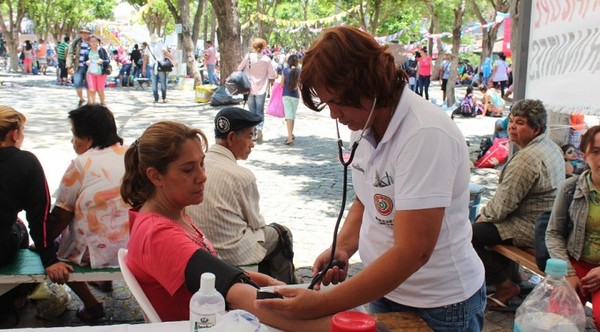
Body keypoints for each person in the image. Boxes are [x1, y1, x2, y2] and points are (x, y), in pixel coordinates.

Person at [255, 26, 486, 331]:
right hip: (385, 290)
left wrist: (322, 303)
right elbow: (368, 198)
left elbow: (413, 251)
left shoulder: (425, 135)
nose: (335, 115)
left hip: (440, 305)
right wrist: (344, 247)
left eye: (338, 102)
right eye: (328, 104)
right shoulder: (363, 123)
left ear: (369, 84)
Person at [119, 121, 329, 330]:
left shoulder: (173, 214)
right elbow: (240, 296)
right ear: (155, 176)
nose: (202, 177)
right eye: (187, 170)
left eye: (202, 163)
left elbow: (214, 273)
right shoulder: (159, 234)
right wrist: (330, 325)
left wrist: (262, 279)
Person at [186, 107, 298, 284]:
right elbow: (256, 223)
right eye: (249, 136)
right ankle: (288, 289)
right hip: (232, 252)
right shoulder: (242, 176)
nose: (252, 142)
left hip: (201, 244)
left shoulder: (199, 164)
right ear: (231, 138)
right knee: (281, 234)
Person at [472, 99, 564, 310]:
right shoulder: (548, 145)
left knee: (467, 234)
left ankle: (505, 285)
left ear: (536, 128)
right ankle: (508, 277)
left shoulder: (527, 159)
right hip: (546, 221)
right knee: (485, 229)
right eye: (511, 121)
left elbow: (501, 207)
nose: (512, 127)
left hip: (532, 226)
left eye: (520, 122)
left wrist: (480, 218)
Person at [50, 104, 130, 321]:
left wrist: (44, 241)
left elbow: (62, 215)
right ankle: (103, 280)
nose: (72, 141)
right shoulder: (133, 156)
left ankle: (92, 305)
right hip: (133, 246)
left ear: (86, 139)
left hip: (93, 253)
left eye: (74, 135)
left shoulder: (80, 164)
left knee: (56, 249)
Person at [0, 106, 73, 318]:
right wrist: (50, 260)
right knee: (19, 227)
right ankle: (16, 293)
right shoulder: (26, 161)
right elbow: (38, 217)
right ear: (14, 134)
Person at [546, 125, 600, 330]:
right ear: (584, 155)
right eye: (596, 151)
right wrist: (568, 272)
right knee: (558, 316)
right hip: (575, 263)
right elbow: (553, 232)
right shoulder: (570, 188)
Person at [237, 38, 277, 143]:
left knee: (251, 111)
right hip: (262, 88)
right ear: (264, 47)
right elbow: (272, 74)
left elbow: (239, 68)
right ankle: (260, 127)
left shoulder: (248, 56)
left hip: (249, 87)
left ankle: (253, 133)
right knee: (259, 111)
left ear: (253, 46)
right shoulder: (267, 59)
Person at [142, 34, 176, 104]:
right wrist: (173, 59)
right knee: (163, 82)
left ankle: (156, 98)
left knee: (154, 83)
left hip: (152, 66)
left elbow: (145, 58)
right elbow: (166, 52)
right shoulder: (161, 44)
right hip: (161, 66)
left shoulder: (148, 47)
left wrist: (144, 68)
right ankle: (164, 98)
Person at [67, 28, 92, 107]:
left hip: (89, 68)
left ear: (89, 34)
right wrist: (69, 66)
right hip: (78, 66)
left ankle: (89, 102)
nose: (84, 34)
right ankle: (81, 99)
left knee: (89, 85)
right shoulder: (76, 42)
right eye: (82, 33)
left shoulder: (92, 42)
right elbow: (70, 53)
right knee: (77, 84)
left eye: (86, 33)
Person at [83, 35, 110, 105]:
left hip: (101, 73)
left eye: (95, 41)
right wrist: (86, 62)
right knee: (92, 90)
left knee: (100, 90)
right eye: (91, 41)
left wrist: (102, 61)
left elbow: (108, 60)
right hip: (90, 73)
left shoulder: (101, 50)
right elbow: (83, 62)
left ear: (98, 42)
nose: (93, 43)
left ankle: (102, 104)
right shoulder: (87, 52)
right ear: (89, 42)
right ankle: (93, 106)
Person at [281, 54, 301, 145]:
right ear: (297, 62)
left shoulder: (285, 70)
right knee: (292, 116)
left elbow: (282, 84)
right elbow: (300, 84)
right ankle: (290, 135)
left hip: (286, 95)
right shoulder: (299, 71)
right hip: (295, 96)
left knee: (289, 116)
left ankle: (289, 137)